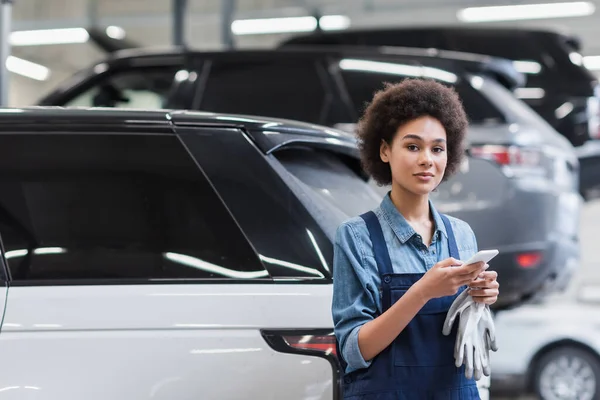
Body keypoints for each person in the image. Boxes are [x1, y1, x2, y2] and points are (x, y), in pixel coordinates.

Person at [332, 78, 500, 399]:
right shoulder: (356, 236)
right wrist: (422, 291)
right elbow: (354, 350)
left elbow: (469, 336)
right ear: (384, 150)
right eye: (413, 146)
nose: (427, 159)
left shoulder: (461, 234)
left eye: (437, 148)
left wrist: (480, 298)